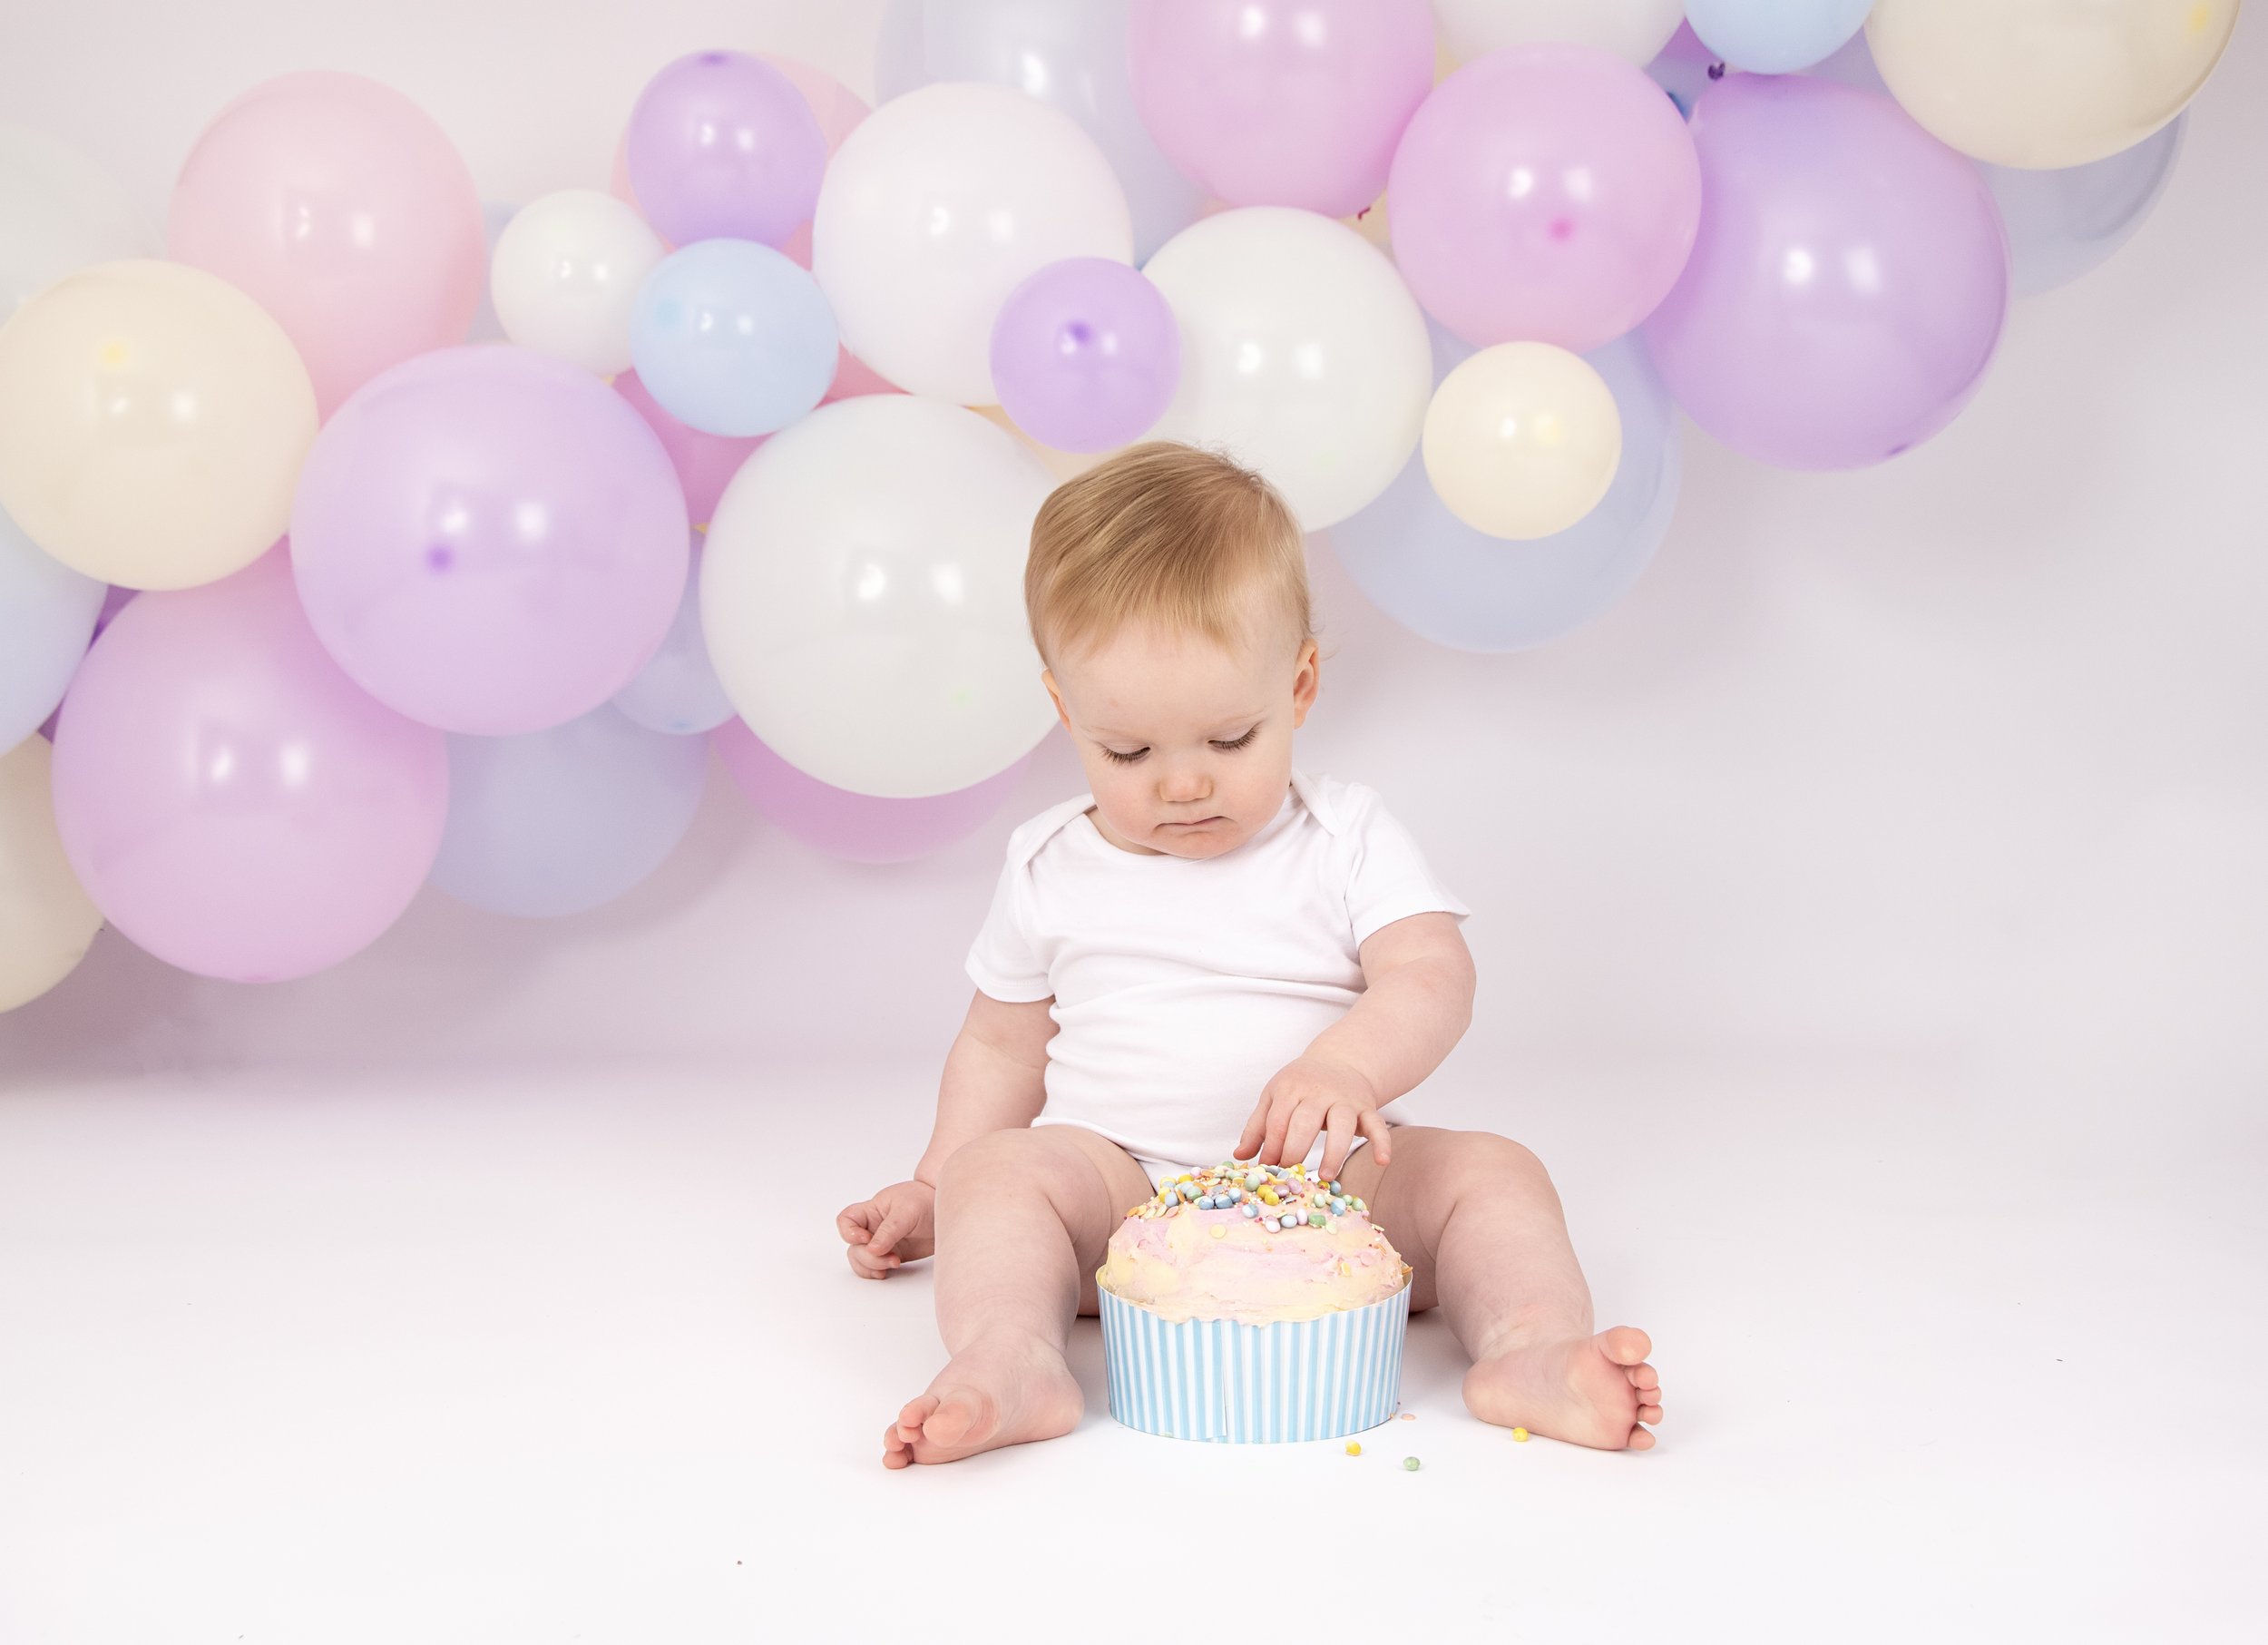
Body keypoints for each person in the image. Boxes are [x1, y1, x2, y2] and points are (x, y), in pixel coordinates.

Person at [837, 441, 1661, 1467]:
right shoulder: (1048, 861)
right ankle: (1014, 1356)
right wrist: (931, 1183)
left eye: (1229, 740)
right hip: (1118, 1190)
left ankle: (1532, 1351)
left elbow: (1431, 972)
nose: (1182, 784)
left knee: (1494, 1173)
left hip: (1335, 1186)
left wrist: (1344, 1066)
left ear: (1302, 684)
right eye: (1128, 752)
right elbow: (1000, 1047)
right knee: (995, 1178)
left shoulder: (1343, 834)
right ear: (1065, 710)